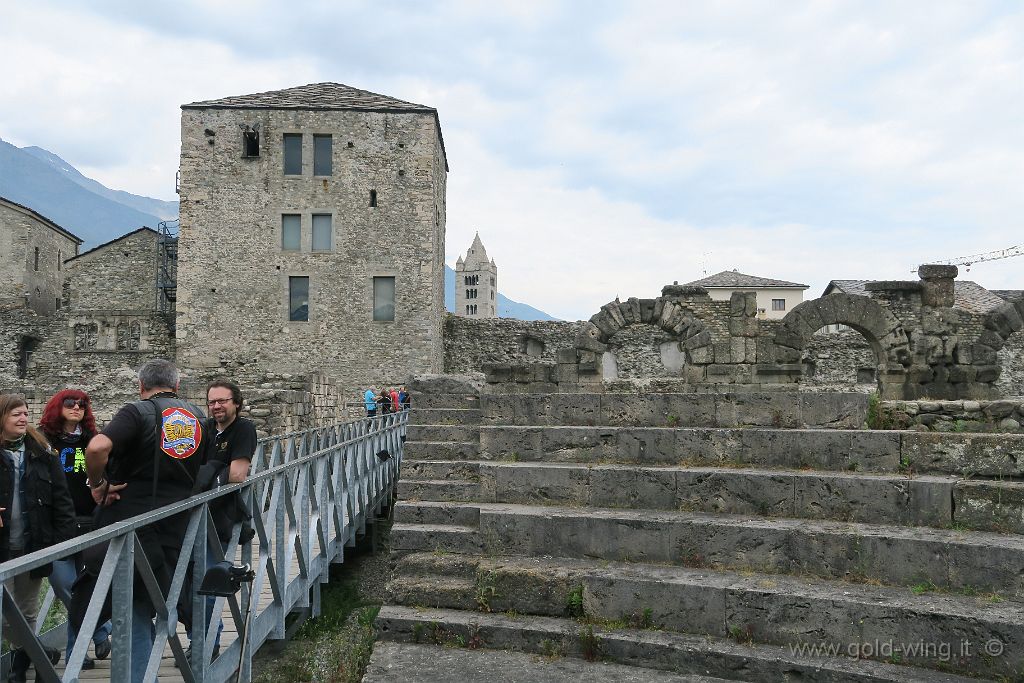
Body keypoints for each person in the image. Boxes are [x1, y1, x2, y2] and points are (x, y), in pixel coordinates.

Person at [72, 359, 206, 683]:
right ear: (176, 386)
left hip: (133, 524)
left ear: (141, 387)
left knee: (132, 607)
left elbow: (97, 446)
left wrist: (96, 484)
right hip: (179, 524)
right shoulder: (199, 417)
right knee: (158, 601)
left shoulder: (137, 411)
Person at [0, 393, 75, 683]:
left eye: (25, 413)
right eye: (15, 414)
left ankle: (20, 669)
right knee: (5, 616)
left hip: (34, 544)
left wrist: (63, 544)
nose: (22, 418)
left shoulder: (42, 452)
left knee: (27, 611)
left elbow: (62, 499)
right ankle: (40, 652)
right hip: (3, 546)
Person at [181, 379, 256, 663]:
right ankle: (196, 638)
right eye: (212, 402)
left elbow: (238, 474)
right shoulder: (205, 428)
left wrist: (209, 474)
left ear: (236, 402)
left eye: (222, 401)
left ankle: (208, 643)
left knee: (209, 577)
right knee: (185, 582)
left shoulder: (244, 429)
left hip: (220, 517)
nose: (216, 406)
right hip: (193, 514)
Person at [37, 390, 112, 670]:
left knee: (82, 587)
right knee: (64, 585)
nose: (77, 407)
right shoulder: (43, 440)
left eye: (82, 403)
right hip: (56, 525)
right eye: (70, 403)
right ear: (58, 406)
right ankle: (101, 630)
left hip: (91, 521)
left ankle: (76, 655)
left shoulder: (93, 439)